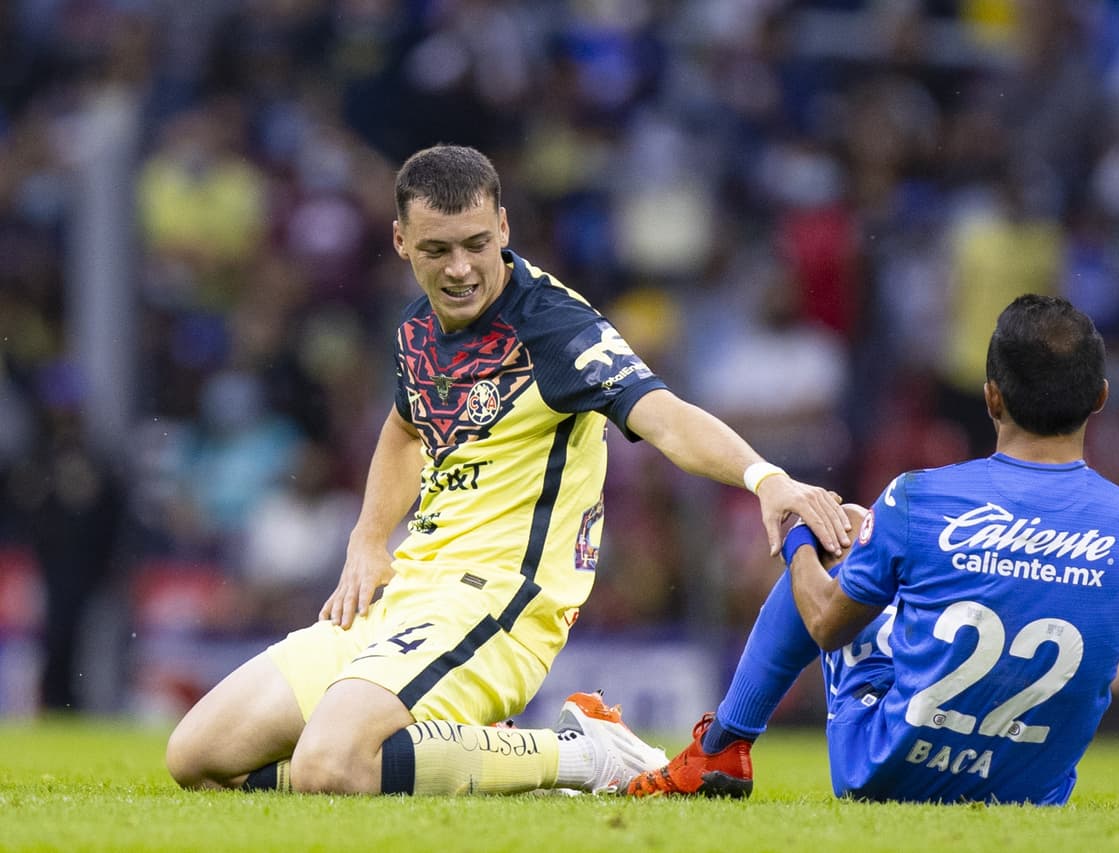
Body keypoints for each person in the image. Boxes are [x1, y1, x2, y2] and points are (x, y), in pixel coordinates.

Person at [164, 144, 851, 796]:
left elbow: (663, 414)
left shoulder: (555, 329)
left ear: (502, 225)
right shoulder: (416, 330)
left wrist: (766, 478)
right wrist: (368, 539)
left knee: (331, 760)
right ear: (402, 241)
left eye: (475, 244)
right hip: (407, 593)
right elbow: (404, 428)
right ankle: (425, 753)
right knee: (196, 756)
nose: (459, 268)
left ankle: (586, 753)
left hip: (495, 603)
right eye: (436, 250)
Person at [628, 294, 1119, 804]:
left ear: (992, 396)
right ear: (1101, 398)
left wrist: (799, 531)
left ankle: (723, 744)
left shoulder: (920, 497)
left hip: (883, 771)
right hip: (1029, 792)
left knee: (836, 539)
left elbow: (825, 624)